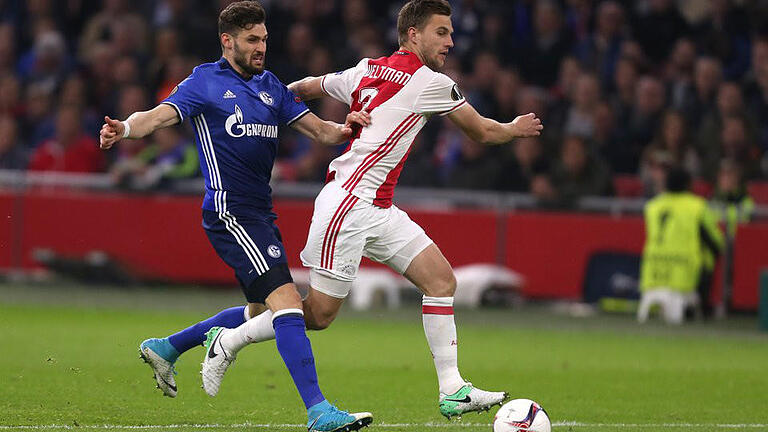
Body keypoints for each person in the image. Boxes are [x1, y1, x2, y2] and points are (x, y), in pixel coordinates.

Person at [202, 0, 543, 420]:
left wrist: (268, 97)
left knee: (440, 281)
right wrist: (516, 128)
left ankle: (453, 389)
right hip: (347, 203)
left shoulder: (367, 68)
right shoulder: (430, 82)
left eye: (451, 32)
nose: (451, 41)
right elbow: (483, 132)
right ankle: (228, 341)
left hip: (378, 206)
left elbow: (307, 86)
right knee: (317, 315)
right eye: (442, 32)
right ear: (413, 34)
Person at [98, 3, 372, 431]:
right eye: (252, 40)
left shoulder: (272, 87)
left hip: (260, 212)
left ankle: (167, 347)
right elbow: (157, 116)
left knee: (261, 311)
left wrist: (348, 127)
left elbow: (322, 132)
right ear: (227, 41)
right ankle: (318, 411)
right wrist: (126, 129)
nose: (261, 47)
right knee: (288, 306)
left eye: (263, 39)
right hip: (231, 212)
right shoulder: (205, 82)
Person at [637, 168, 724, 325]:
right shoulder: (697, 207)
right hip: (684, 275)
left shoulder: (653, 206)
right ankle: (703, 309)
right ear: (688, 184)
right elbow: (715, 243)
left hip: (652, 273)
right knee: (707, 259)